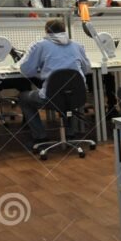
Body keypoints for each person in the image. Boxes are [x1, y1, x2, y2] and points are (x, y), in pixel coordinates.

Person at [18, 18, 91, 147]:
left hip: (51, 97)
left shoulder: (40, 45)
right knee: (67, 96)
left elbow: (26, 71)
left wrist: (40, 72)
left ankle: (40, 136)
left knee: (23, 97)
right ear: (64, 30)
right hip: (77, 95)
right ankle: (70, 133)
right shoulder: (77, 45)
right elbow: (86, 69)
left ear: (46, 31)